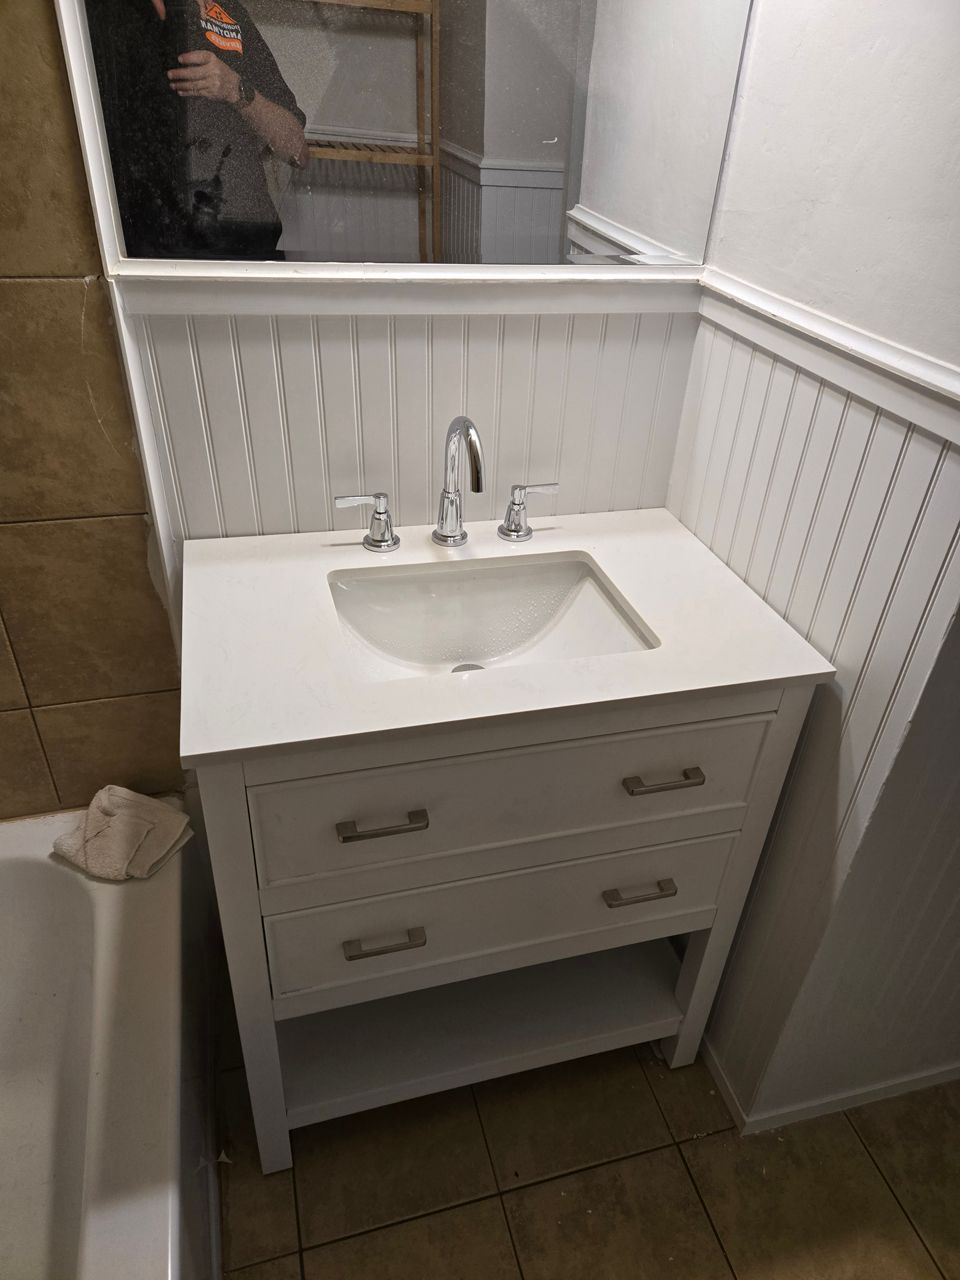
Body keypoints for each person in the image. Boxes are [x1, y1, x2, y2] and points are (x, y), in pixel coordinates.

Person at [88, 0, 307, 259]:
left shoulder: (227, 13)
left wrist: (234, 89)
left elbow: (296, 149)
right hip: (151, 248)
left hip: (248, 244)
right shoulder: (105, 14)